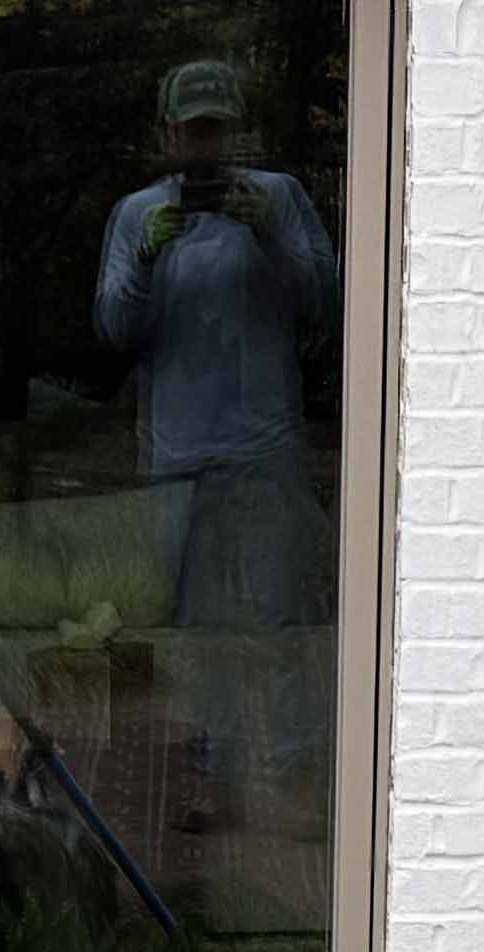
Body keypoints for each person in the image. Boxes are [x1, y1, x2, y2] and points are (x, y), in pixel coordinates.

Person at [92, 60, 335, 852]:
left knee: (279, 620)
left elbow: (331, 300)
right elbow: (111, 330)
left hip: (265, 447)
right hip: (176, 454)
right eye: (192, 128)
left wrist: (269, 232)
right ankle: (210, 779)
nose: (204, 145)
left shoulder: (280, 198)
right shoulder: (138, 215)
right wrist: (150, 263)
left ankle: (295, 781)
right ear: (169, 132)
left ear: (235, 130)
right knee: (194, 632)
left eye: (216, 128)